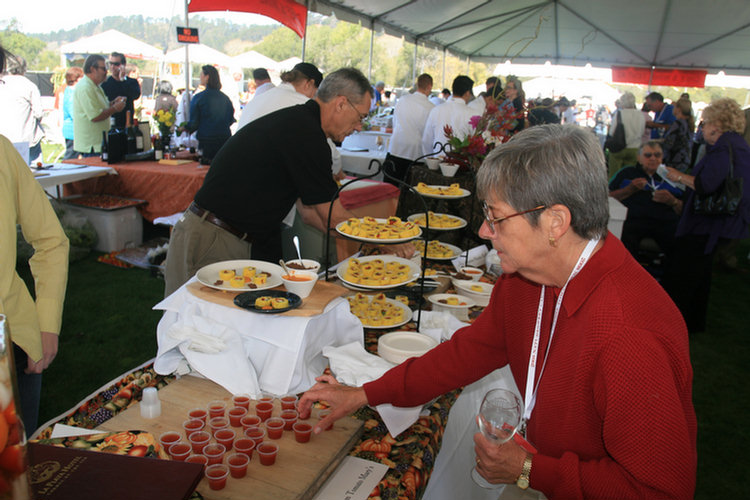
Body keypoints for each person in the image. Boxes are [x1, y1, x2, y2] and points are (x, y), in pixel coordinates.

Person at [299, 124, 696, 500]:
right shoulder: (528, 277)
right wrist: (366, 393)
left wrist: (530, 470)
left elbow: (658, 491)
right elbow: (469, 351)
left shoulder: (630, 335)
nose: (485, 232)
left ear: (556, 222)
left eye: (496, 217)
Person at [164, 68, 412, 296]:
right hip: (213, 236)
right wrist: (385, 243)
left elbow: (311, 215)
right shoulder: (306, 133)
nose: (358, 127)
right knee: (195, 330)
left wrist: (374, 245)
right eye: (361, 117)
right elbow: (331, 215)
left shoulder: (304, 126)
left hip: (229, 236)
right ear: (341, 104)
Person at [1, 43, 69, 438]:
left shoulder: (3, 153)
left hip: (15, 341)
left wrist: (46, 322)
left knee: (15, 472)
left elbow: (51, 241)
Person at [661, 98, 750, 333]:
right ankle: (692, 321)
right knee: (701, 274)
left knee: (685, 273)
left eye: (706, 122)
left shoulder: (724, 148)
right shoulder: (738, 145)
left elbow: (705, 184)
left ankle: (674, 322)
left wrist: (678, 176)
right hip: (721, 221)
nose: (703, 128)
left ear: (717, 124)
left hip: (707, 221)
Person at [609, 141, 683, 259]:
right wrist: (629, 190)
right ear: (639, 158)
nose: (653, 158)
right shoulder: (627, 173)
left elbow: (684, 208)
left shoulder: (671, 177)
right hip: (634, 220)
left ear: (662, 157)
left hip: (664, 222)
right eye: (648, 155)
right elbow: (607, 197)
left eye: (657, 155)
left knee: (679, 240)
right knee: (626, 240)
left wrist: (672, 201)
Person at [236, 62, 323, 130]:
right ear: (308, 84)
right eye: (315, 93)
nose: (314, 98)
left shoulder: (264, 96)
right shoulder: (302, 103)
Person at [384, 73, 435, 185]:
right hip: (415, 154)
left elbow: (395, 123)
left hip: (396, 149)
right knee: (409, 193)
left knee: (389, 189)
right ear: (430, 87)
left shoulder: (402, 100)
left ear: (417, 85)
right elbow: (429, 135)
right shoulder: (431, 107)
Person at [72, 54, 126, 157]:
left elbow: (100, 107)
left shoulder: (95, 86)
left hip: (98, 144)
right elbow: (95, 116)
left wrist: (113, 103)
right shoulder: (86, 88)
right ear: (93, 69)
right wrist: (115, 108)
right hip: (92, 147)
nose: (106, 71)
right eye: (103, 68)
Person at [180, 65, 235, 164]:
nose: (200, 77)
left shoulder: (199, 98)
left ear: (207, 77)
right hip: (224, 140)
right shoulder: (225, 99)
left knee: (207, 170)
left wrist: (183, 128)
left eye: (201, 74)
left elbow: (194, 123)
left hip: (207, 142)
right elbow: (230, 120)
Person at [0, 53, 45, 163]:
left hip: (4, 138)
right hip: (25, 139)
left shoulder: (2, 83)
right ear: (24, 68)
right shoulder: (29, 85)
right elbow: (39, 113)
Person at [422, 75, 475, 156]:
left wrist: (430, 160)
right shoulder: (473, 114)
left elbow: (426, 141)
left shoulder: (436, 110)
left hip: (437, 161)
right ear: (467, 93)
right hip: (461, 163)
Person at [606, 91, 646, 177]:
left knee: (614, 175)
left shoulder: (619, 113)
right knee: (629, 175)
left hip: (618, 148)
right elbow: (642, 131)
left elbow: (612, 132)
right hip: (634, 148)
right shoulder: (641, 114)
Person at [100, 52, 141, 129]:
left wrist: (123, 80)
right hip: (111, 124)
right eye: (110, 63)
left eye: (116, 64)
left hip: (127, 124)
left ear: (123, 65)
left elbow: (136, 95)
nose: (112, 67)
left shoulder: (131, 82)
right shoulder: (105, 84)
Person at [662, 98, 694, 173]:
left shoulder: (677, 124)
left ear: (679, 109)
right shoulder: (689, 124)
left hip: (675, 159)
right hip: (685, 159)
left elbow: (669, 143)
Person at [61, 66, 83, 160]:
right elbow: (74, 114)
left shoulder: (69, 91)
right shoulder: (71, 94)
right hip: (72, 131)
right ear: (77, 78)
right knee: (70, 158)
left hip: (74, 130)